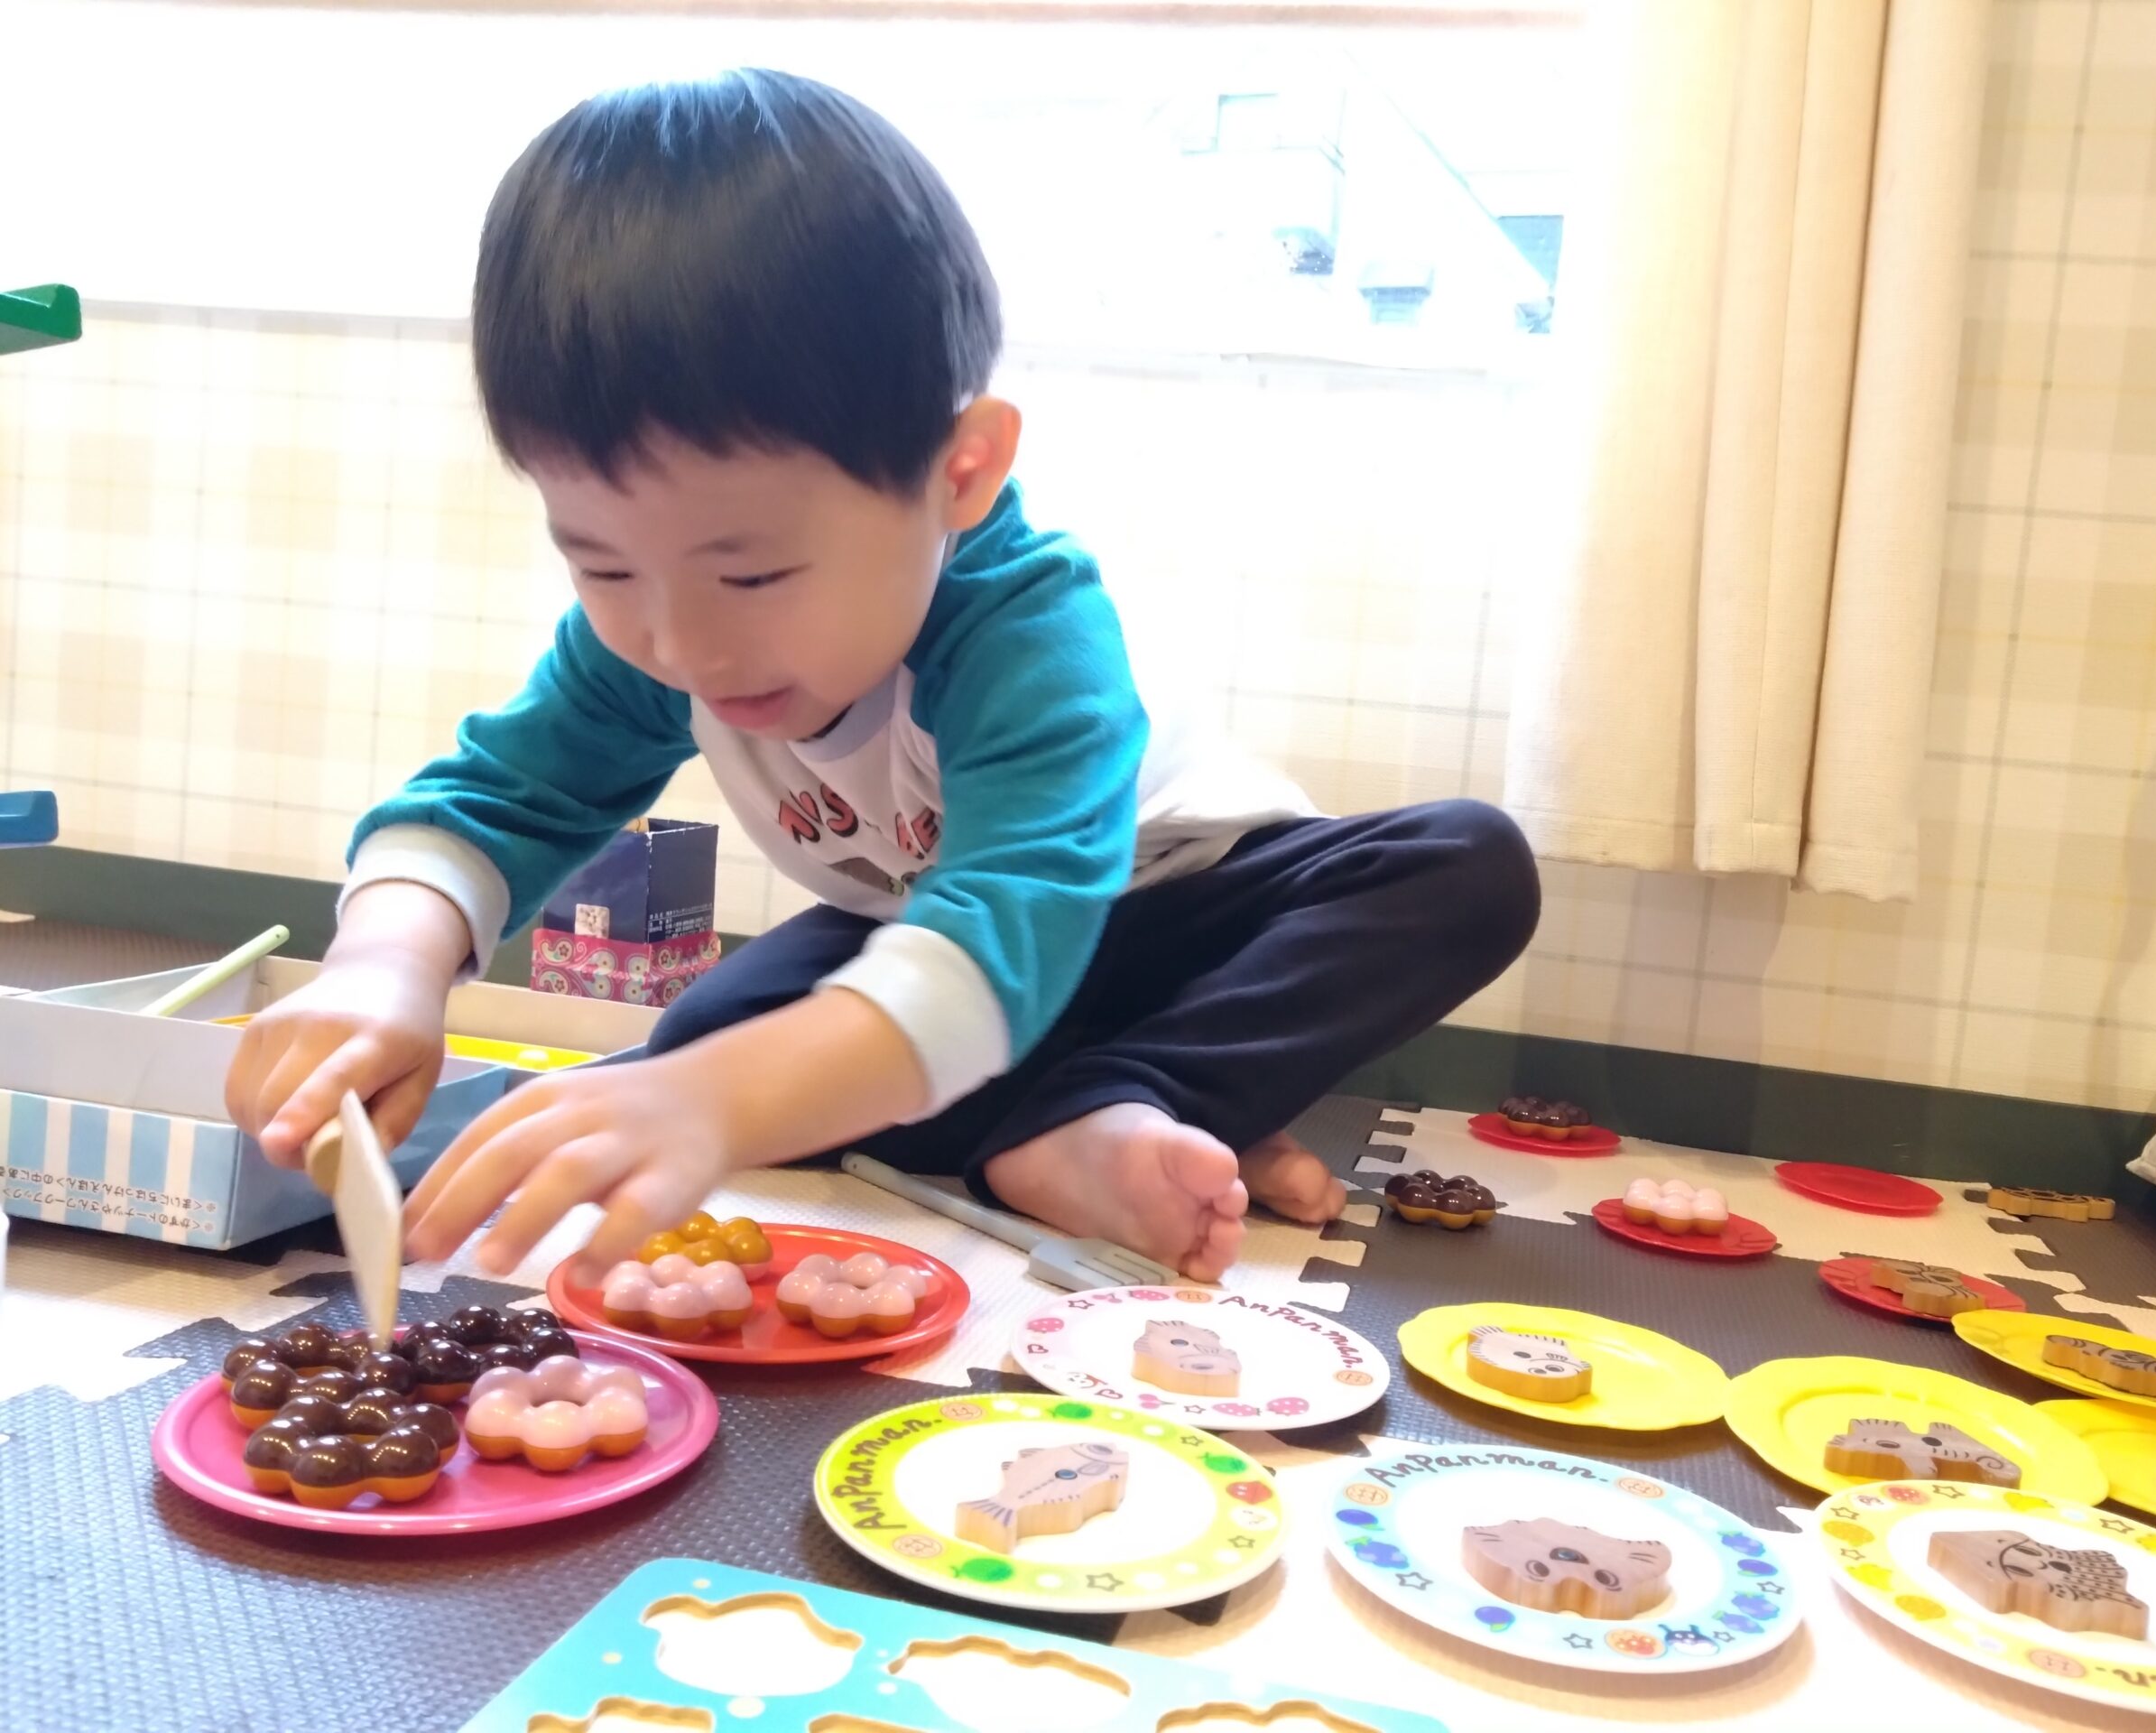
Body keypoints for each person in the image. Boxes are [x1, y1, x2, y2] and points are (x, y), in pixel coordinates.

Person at [225, 70, 1539, 1284]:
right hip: (927, 940)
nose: (683, 645)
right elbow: (496, 800)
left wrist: (729, 1101)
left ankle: (1115, 1101)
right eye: (602, 565)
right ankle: (1107, 1121)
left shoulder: (1026, 628)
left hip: (1173, 912)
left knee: (1461, 864)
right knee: (701, 1051)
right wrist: (383, 969)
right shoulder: (658, 634)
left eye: (751, 575)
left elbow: (1005, 927)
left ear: (959, 472)